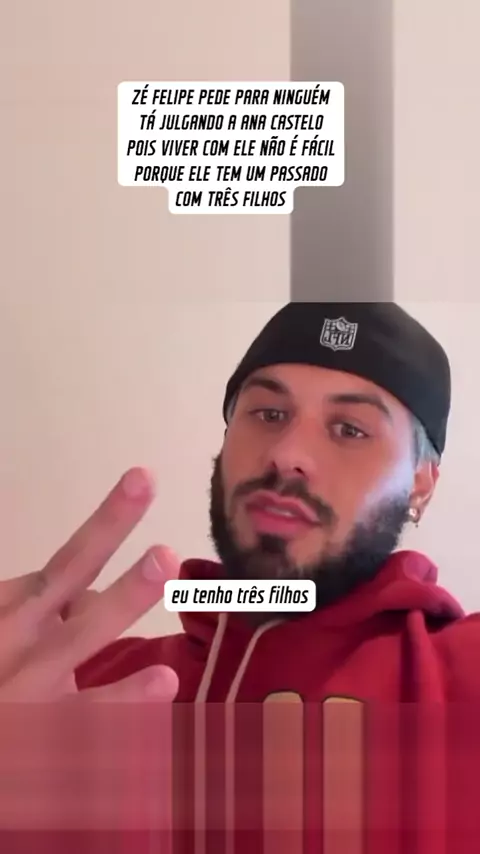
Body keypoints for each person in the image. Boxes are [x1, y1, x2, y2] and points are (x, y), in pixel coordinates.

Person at [1, 302, 479, 852]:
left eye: (349, 429)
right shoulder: (72, 688)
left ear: (421, 483)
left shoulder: (463, 676)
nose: (287, 454)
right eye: (269, 414)